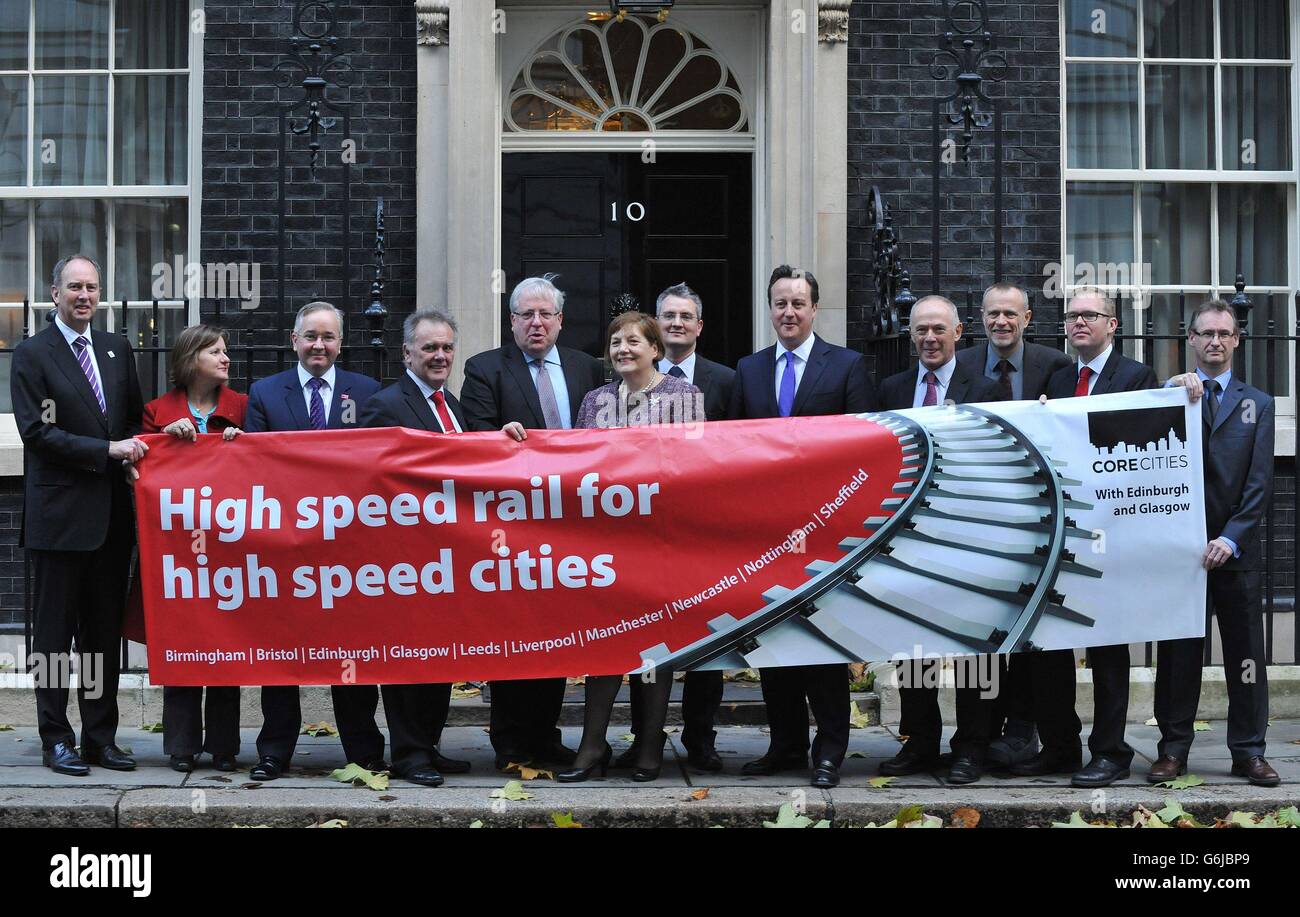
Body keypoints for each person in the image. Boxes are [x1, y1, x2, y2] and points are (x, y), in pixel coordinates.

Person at [729, 264, 878, 788]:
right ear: (769, 309)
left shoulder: (847, 366)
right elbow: (733, 449)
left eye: (797, 303)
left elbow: (866, 446)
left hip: (828, 531)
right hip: (768, 533)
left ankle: (830, 750)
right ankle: (785, 744)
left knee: (822, 642)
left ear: (814, 309)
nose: (788, 312)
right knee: (772, 641)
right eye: (779, 303)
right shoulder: (748, 370)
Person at [460, 275, 604, 772]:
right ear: (512, 321)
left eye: (546, 315)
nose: (536, 323)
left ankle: (545, 736)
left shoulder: (590, 368)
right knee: (515, 632)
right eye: (526, 315)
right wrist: (496, 437)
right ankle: (510, 741)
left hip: (573, 530)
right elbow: (472, 440)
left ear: (561, 321)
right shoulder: (485, 370)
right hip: (513, 529)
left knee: (559, 636)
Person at [10, 254, 145, 775]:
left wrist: (134, 449)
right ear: (55, 293)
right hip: (60, 519)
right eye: (74, 288)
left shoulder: (115, 348)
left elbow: (132, 418)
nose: (84, 296)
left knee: (101, 636)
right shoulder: (32, 354)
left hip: (111, 521)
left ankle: (100, 738)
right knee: (53, 639)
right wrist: (106, 451)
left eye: (92, 288)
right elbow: (37, 433)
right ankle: (55, 738)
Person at [554, 311, 702, 783]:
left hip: (661, 543)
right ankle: (592, 745)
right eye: (615, 341)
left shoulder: (683, 396)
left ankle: (649, 748)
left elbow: (694, 468)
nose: (622, 349)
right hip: (605, 544)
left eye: (633, 341)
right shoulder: (594, 400)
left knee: (656, 647)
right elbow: (574, 466)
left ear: (655, 348)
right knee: (605, 645)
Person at [243, 301, 382, 781]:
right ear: (294, 341)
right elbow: (253, 470)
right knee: (282, 655)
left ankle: (364, 749)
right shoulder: (264, 393)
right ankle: (274, 751)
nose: (318, 345)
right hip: (286, 550)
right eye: (310, 337)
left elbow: (376, 470)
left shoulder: (365, 392)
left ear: (340, 343)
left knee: (353, 653)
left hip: (348, 551)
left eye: (328, 337)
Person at [1024, 288, 1156, 788]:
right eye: (1073, 315)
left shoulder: (1136, 376)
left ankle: (1111, 750)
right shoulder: (1057, 376)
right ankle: (1060, 746)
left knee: (1107, 645)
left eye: (1090, 315)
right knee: (1051, 641)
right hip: (1063, 527)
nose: (1079, 323)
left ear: (1112, 325)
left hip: (1112, 528)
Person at [877, 295, 1005, 785]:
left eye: (938, 329)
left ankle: (971, 747)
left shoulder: (988, 390)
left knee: (973, 649)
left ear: (958, 333)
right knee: (913, 647)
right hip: (908, 538)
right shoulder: (890, 389)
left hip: (968, 538)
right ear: (910, 337)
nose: (929, 338)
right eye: (920, 331)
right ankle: (921, 743)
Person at [610, 283, 734, 773]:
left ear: (699, 325)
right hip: (625, 541)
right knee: (641, 643)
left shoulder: (725, 380)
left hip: (693, 537)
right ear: (658, 326)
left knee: (703, 644)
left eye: (686, 315)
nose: (677, 321)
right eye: (668, 315)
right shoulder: (604, 396)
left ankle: (700, 738)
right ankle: (645, 739)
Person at [1156, 300, 1278, 786]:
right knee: (1177, 655)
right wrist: (1165, 391)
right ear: (1190, 340)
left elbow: (1260, 483)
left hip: (1235, 553)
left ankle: (1249, 750)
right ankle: (1172, 749)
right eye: (1206, 333)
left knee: (1246, 656)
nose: (1215, 341)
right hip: (1180, 555)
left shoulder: (1258, 404)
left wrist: (1231, 537)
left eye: (1224, 334)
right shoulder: (1170, 395)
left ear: (1236, 340)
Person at [956, 282, 1071, 768]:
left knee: (1039, 635)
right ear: (980, 319)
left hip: (1037, 520)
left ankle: (1034, 733)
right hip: (977, 520)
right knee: (982, 635)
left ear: (1028, 318)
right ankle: (982, 737)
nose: (1001, 322)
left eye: (1010, 313)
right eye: (992, 314)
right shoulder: (959, 367)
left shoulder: (1058, 367)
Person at [358, 309, 475, 787]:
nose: (440, 355)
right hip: (404, 559)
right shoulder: (386, 405)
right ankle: (408, 753)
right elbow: (368, 482)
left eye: (446, 347)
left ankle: (429, 744)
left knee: (441, 654)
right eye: (429, 348)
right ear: (407, 353)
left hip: (450, 557)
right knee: (406, 655)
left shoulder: (456, 406)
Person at [139, 325, 247, 773]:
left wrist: (241, 445)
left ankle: (223, 746)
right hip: (177, 550)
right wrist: (166, 440)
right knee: (182, 641)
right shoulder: (156, 411)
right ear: (191, 358)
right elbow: (140, 466)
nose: (226, 358)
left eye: (226, 351)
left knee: (226, 640)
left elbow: (267, 462)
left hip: (229, 544)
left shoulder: (242, 407)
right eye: (216, 351)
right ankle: (181, 745)